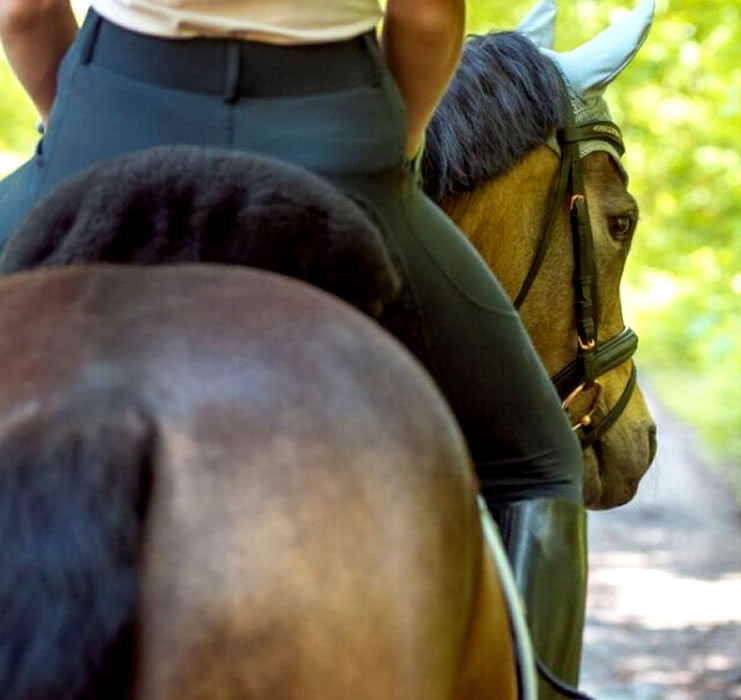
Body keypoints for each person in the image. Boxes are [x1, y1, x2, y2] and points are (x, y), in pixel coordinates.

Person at [0, 0, 589, 692]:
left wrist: (74, 128)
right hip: (333, 138)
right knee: (541, 464)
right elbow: (428, 18)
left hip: (109, 118)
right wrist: (388, 153)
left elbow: (25, 12)